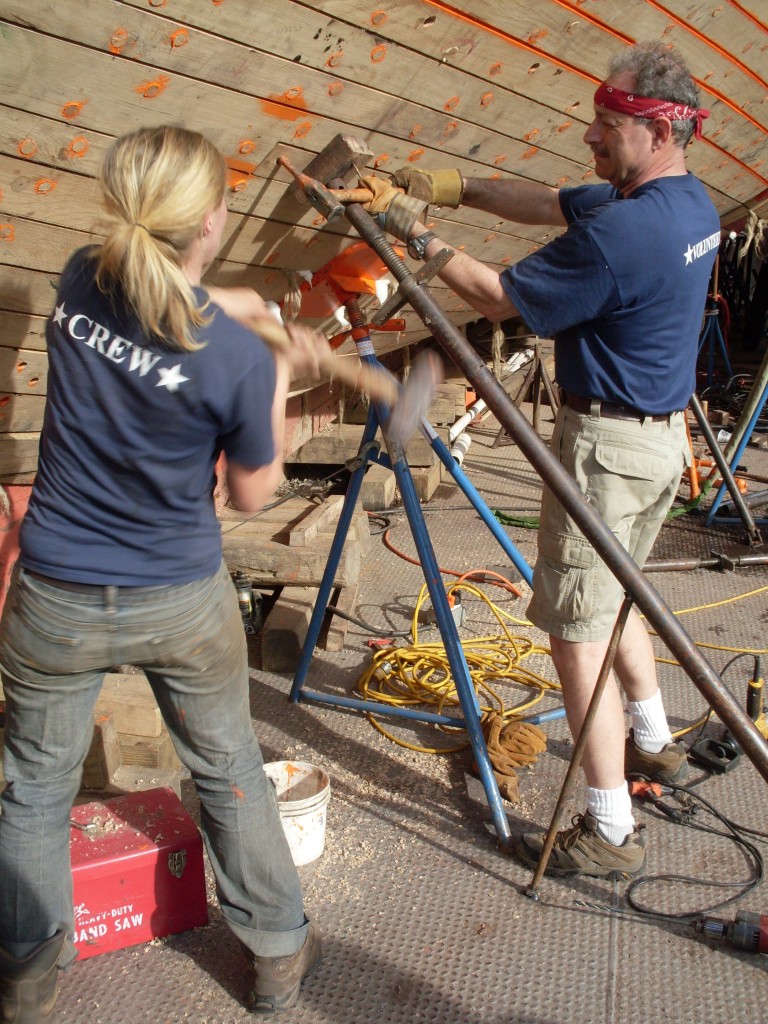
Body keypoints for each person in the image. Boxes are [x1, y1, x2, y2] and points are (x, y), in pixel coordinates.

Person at [362, 41, 719, 879]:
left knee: (574, 636)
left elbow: (499, 298)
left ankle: (610, 831)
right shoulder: (686, 202)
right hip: (658, 444)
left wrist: (412, 230)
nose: (590, 135)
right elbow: (553, 201)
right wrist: (445, 184)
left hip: (608, 453)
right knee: (617, 598)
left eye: (607, 125)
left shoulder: (625, 233)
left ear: (658, 130)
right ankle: (654, 741)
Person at [0, 125, 327, 1021]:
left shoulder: (82, 278)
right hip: (177, 598)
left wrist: (250, 314)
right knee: (226, 768)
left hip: (57, 595)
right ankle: (276, 953)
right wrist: (276, 369)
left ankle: (25, 975)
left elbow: (167, 292)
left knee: (34, 786)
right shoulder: (233, 359)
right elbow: (254, 494)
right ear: (213, 220)